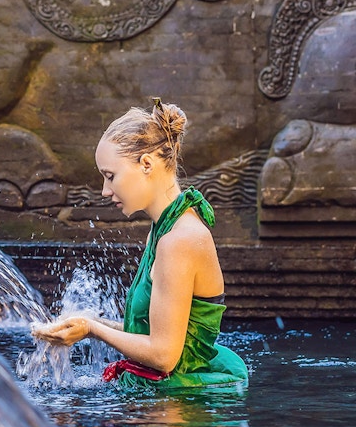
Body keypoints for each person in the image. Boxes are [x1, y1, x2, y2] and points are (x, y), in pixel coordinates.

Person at [32, 98, 248, 390]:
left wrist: (93, 328)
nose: (105, 191)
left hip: (180, 408)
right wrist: (87, 324)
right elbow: (152, 333)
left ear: (146, 164)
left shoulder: (179, 240)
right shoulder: (163, 230)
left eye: (110, 176)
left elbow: (163, 356)